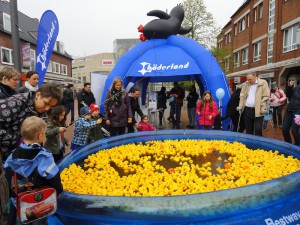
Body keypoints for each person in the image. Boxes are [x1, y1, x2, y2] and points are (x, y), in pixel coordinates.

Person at [4, 116, 63, 225]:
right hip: (38, 200)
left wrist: (12, 193)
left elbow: (6, 173)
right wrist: (58, 190)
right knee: (38, 220)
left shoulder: (14, 154)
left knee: (14, 216)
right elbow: (53, 176)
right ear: (40, 136)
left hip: (18, 198)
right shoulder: (44, 156)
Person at [0, 82, 62, 160]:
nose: (47, 108)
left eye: (51, 106)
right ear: (38, 95)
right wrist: (14, 139)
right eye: (46, 103)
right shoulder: (15, 103)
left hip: (17, 153)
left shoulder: (42, 110)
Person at [282, 79, 300, 146]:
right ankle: (288, 145)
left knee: (294, 131)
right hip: (289, 111)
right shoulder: (297, 87)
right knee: (284, 129)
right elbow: (288, 95)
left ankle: (298, 145)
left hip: (298, 113)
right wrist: (290, 86)